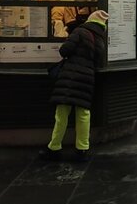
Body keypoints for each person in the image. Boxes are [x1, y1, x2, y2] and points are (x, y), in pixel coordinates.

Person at [44, 9, 109, 161]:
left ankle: (54, 147)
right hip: (87, 78)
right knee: (83, 114)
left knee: (61, 114)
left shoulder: (80, 31)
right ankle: (82, 148)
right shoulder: (100, 39)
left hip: (70, 76)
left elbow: (64, 51)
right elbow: (99, 61)